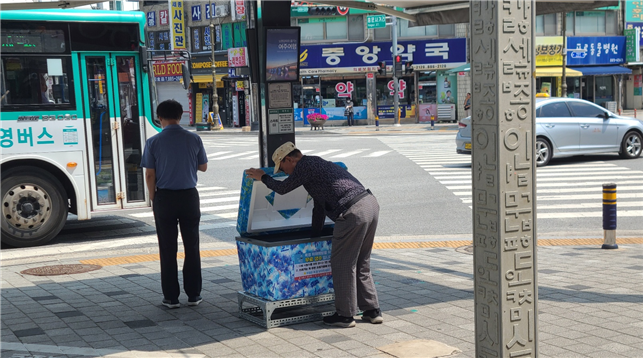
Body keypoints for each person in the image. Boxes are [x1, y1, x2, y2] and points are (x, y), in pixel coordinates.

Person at [245, 142, 382, 328]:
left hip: (352, 212)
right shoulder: (317, 166)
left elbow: (283, 189)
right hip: (369, 205)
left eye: (282, 167)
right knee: (361, 262)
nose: (284, 172)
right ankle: (372, 311)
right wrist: (314, 236)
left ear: (289, 159)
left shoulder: (305, 165)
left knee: (343, 264)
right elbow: (319, 208)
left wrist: (264, 177)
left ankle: (345, 315)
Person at [140, 99, 208, 309]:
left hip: (165, 198)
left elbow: (150, 175)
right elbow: (203, 167)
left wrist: (154, 198)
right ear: (180, 116)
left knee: (167, 248)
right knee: (192, 246)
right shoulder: (194, 138)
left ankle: (171, 298)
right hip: (189, 197)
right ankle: (194, 294)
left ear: (160, 118)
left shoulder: (153, 142)